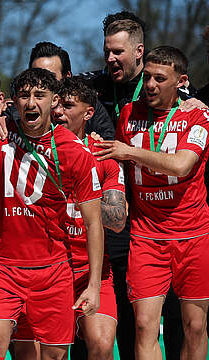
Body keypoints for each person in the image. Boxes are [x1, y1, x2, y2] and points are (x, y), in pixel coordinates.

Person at [0, 68, 104, 360]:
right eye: (24, 96)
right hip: (0, 268)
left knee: (52, 356)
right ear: (13, 102)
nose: (31, 103)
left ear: (54, 101)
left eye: (40, 96)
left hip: (53, 272)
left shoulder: (74, 152)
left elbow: (94, 222)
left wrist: (94, 286)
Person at [95, 45, 209, 360]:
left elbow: (182, 165)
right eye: (147, 77)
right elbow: (113, 160)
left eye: (160, 78)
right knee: (144, 326)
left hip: (194, 234)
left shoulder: (197, 113)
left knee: (195, 327)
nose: (150, 85)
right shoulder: (129, 114)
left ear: (181, 82)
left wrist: (128, 152)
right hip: (146, 236)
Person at [14, 77, 126, 360]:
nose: (59, 112)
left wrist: (88, 184)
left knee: (101, 345)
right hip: (47, 268)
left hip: (92, 269)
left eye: (68, 106)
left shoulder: (104, 156)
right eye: (57, 105)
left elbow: (117, 221)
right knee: (37, 354)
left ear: (88, 113)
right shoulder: (27, 149)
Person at [29, 41, 115, 140]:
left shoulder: (88, 104)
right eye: (36, 76)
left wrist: (92, 147)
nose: (41, 83)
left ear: (67, 77)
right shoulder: (20, 110)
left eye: (50, 77)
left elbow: (108, 145)